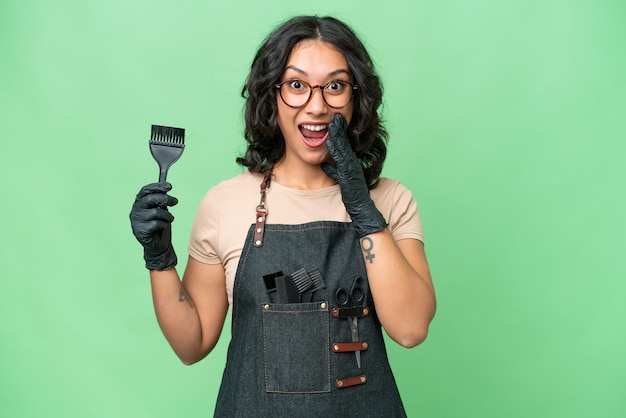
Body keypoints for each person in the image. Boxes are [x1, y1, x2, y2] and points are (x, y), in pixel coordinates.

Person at [130, 15, 436, 417]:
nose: (317, 105)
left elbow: (411, 330)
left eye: (335, 86)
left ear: (355, 97)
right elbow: (192, 344)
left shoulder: (391, 199)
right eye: (296, 85)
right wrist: (159, 259)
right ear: (271, 96)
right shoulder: (226, 203)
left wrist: (363, 209)